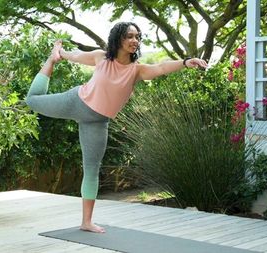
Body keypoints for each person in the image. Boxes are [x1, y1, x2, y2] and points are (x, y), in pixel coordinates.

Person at [25, 22, 208, 233]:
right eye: (129, 36)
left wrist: (186, 62)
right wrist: (59, 53)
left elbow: (160, 67)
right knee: (32, 100)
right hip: (76, 102)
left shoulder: (136, 70)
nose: (135, 40)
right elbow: (75, 56)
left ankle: (86, 222)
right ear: (118, 38)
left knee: (92, 169)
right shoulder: (100, 57)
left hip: (97, 121)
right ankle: (50, 58)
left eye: (137, 37)